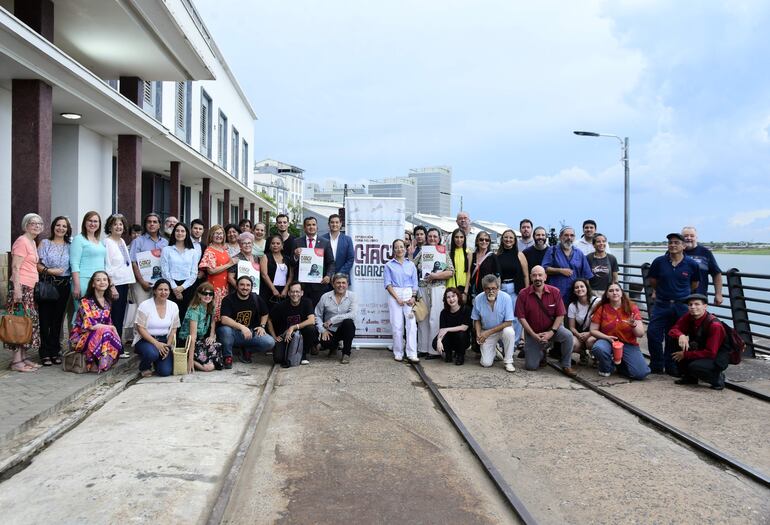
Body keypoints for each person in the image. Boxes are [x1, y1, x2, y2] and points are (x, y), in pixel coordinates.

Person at [647, 232, 700, 375]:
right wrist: (662, 291)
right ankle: (657, 364)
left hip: (681, 305)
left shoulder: (691, 264)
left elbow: (694, 284)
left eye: (676, 243)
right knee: (653, 333)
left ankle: (671, 365)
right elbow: (653, 280)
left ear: (683, 246)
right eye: (670, 243)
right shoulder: (659, 262)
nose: (672, 245)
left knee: (675, 336)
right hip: (662, 303)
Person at [515, 266, 577, 376]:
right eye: (534, 275)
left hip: (552, 330)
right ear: (530, 277)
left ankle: (566, 365)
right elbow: (521, 317)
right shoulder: (523, 294)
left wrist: (551, 332)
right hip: (533, 332)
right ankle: (541, 352)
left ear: (545, 277)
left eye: (540, 275)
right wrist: (533, 335)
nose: (537, 278)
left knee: (568, 335)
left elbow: (560, 314)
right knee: (531, 367)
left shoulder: (555, 292)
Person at [6, 213, 44, 372]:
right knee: (19, 323)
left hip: (30, 288)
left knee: (28, 323)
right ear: (26, 225)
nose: (36, 226)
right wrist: (17, 289)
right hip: (21, 287)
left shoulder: (33, 242)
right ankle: (16, 362)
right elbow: (15, 267)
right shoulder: (22, 241)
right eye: (33, 223)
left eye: (39, 224)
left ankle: (23, 357)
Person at [589, 283, 650, 380]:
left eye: (617, 290)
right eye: (611, 291)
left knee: (640, 374)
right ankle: (607, 368)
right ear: (607, 295)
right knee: (598, 348)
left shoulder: (632, 308)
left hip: (628, 343)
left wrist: (633, 325)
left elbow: (640, 334)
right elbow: (593, 330)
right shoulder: (602, 308)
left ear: (622, 293)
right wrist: (606, 338)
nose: (614, 293)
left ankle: (619, 365)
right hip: (608, 341)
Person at [669, 293, 728, 390]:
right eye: (690, 304)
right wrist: (681, 335)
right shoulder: (689, 317)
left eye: (697, 304)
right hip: (701, 348)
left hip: (717, 356)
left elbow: (711, 353)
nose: (693, 307)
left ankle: (717, 379)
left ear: (705, 306)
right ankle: (690, 378)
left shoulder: (715, 325)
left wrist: (686, 354)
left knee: (695, 366)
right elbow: (673, 330)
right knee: (674, 340)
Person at [69, 271, 123, 373]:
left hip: (101, 335)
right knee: (107, 331)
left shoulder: (107, 302)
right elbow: (90, 325)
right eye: (98, 280)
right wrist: (112, 328)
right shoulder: (85, 302)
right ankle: (95, 363)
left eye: (104, 280)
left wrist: (111, 329)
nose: (102, 282)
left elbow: (108, 323)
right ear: (93, 284)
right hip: (81, 337)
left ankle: (101, 362)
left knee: (109, 333)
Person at [217, 276, 275, 368]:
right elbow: (224, 319)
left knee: (270, 342)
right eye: (242, 285)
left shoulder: (256, 298)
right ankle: (227, 356)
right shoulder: (228, 299)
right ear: (237, 286)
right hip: (233, 334)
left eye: (248, 285)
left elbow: (265, 313)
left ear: (251, 287)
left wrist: (262, 326)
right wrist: (242, 327)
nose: (245, 287)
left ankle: (247, 350)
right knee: (225, 330)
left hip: (250, 333)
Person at [36, 215, 72, 366]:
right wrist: (50, 271)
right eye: (58, 225)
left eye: (64, 226)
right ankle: (44, 352)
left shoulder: (70, 246)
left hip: (64, 285)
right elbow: (37, 265)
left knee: (58, 320)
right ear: (53, 227)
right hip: (47, 284)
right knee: (45, 319)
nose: (61, 228)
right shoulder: (45, 243)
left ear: (68, 229)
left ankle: (55, 350)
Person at [415, 228, 454, 359]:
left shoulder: (443, 252)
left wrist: (435, 275)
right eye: (430, 236)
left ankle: (434, 350)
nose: (432, 239)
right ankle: (422, 348)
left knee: (435, 318)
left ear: (439, 238)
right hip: (423, 288)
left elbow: (450, 272)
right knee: (423, 318)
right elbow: (412, 266)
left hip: (438, 288)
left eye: (435, 237)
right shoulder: (422, 252)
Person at [132, 279, 180, 377]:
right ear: (154, 291)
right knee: (152, 354)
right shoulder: (145, 305)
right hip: (146, 340)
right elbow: (140, 327)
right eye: (160, 289)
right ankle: (144, 367)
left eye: (166, 290)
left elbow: (174, 328)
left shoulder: (173, 306)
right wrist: (156, 343)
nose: (163, 292)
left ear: (169, 291)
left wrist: (167, 346)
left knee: (165, 372)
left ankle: (155, 360)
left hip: (164, 340)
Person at [103, 213, 135, 356]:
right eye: (115, 224)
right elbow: (107, 265)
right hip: (114, 284)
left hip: (124, 283)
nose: (118, 226)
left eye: (121, 224)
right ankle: (114, 348)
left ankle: (117, 346)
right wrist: (111, 286)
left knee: (120, 316)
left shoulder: (121, 241)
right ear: (109, 227)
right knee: (114, 316)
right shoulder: (107, 242)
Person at [267, 282, 318, 367]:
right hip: (286, 336)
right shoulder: (281, 306)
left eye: (297, 292)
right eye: (292, 291)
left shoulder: (306, 302)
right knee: (278, 359)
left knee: (311, 329)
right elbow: (268, 319)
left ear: (302, 293)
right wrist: (274, 337)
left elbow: (312, 320)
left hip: (302, 334)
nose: (295, 294)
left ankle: (304, 354)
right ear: (289, 293)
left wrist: (293, 327)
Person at [384, 239, 419, 363]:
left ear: (405, 248)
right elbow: (388, 284)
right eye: (396, 247)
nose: (399, 249)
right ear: (393, 250)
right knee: (397, 325)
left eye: (401, 247)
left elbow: (415, 282)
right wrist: (397, 298)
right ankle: (398, 352)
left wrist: (413, 297)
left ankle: (412, 353)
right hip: (395, 294)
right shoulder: (389, 265)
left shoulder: (411, 265)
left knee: (411, 325)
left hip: (409, 294)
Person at [471, 275, 516, 372]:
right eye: (488, 289)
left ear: (498, 288)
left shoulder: (506, 298)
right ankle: (495, 351)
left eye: (494, 288)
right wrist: (479, 334)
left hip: (502, 329)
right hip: (486, 331)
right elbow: (477, 319)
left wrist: (487, 333)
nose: (491, 291)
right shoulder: (478, 299)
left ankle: (508, 361)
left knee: (510, 332)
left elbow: (508, 322)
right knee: (486, 363)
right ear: (484, 289)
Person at [542, 226, 593, 306]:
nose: (569, 238)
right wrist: (560, 270)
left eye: (572, 235)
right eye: (566, 235)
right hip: (557, 293)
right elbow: (544, 269)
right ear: (560, 237)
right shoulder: (552, 250)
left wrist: (587, 295)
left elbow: (586, 275)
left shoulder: (579, 253)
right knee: (558, 317)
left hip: (575, 295)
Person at [315, 273, 357, 364]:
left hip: (344, 329)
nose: (341, 285)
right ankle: (333, 347)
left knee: (349, 322)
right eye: (338, 283)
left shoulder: (352, 296)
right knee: (325, 342)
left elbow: (353, 314)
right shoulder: (325, 297)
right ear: (333, 284)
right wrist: (322, 330)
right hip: (329, 331)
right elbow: (317, 315)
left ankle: (346, 353)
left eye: (343, 283)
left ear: (347, 284)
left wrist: (333, 320)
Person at [178, 282, 220, 373]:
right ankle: (189, 360)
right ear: (199, 294)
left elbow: (213, 321)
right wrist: (190, 358)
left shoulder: (211, 306)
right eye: (205, 293)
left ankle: (203, 362)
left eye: (210, 294)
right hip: (187, 341)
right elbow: (192, 337)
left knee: (217, 346)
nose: (208, 296)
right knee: (209, 367)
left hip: (199, 340)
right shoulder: (194, 309)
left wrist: (212, 335)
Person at [160, 222, 198, 323]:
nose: (180, 233)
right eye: (177, 231)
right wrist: (175, 289)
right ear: (174, 233)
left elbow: (194, 273)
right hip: (170, 286)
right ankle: (171, 338)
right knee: (171, 315)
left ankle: (184, 338)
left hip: (188, 287)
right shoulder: (167, 250)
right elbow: (165, 271)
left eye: (182, 231)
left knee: (186, 315)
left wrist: (182, 288)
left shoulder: (192, 252)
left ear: (186, 234)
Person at [293, 217, 335, 307]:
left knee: (318, 312)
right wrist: (296, 256)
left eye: (313, 224)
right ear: (304, 228)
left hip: (319, 285)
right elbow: (291, 264)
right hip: (301, 285)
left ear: (317, 227)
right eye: (308, 225)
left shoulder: (325, 242)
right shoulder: (297, 242)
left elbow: (331, 262)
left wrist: (328, 275)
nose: (311, 227)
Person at [497, 229, 529, 344]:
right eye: (506, 237)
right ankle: (501, 343)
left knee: (516, 317)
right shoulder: (498, 255)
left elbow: (526, 275)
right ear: (502, 239)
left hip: (516, 289)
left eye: (511, 237)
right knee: (502, 317)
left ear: (515, 240)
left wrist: (527, 292)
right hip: (502, 288)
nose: (508, 240)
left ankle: (513, 344)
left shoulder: (520, 255)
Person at [129, 213, 168, 304]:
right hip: (141, 283)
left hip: (160, 283)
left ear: (159, 225)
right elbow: (133, 263)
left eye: (155, 222)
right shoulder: (138, 241)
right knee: (142, 309)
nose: (152, 224)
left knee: (157, 309)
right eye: (149, 222)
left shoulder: (165, 242)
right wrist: (142, 282)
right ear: (145, 225)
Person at [198, 224, 234, 321]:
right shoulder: (210, 250)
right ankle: (211, 334)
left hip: (224, 287)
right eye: (216, 233)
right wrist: (229, 264)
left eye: (221, 233)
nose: (219, 236)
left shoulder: (224, 250)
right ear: (211, 235)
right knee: (212, 312)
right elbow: (211, 270)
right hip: (214, 287)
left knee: (222, 312)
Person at [70, 211, 107, 304]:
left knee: (95, 314)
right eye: (90, 221)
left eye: (95, 221)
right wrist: (77, 286)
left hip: (99, 282)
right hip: (83, 281)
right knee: (82, 313)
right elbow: (74, 263)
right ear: (84, 223)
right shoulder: (79, 239)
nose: (93, 224)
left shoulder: (99, 241)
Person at [682, 226, 724, 305]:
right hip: (678, 297)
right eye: (685, 236)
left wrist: (718, 294)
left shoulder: (705, 253)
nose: (688, 238)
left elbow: (716, 274)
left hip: (699, 297)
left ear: (696, 237)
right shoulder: (675, 252)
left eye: (692, 236)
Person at [435, 287, 472, 366]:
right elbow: (442, 329)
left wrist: (447, 329)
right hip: (450, 340)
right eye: (448, 297)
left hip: (462, 340)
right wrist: (439, 341)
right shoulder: (444, 312)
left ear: (458, 296)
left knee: (461, 334)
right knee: (435, 342)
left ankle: (460, 355)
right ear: (445, 300)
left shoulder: (466, 309)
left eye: (453, 296)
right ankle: (448, 354)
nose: (451, 299)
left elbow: (464, 327)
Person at [567, 278, 599, 366]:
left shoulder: (597, 302)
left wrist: (589, 333)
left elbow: (602, 324)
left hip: (595, 333)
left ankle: (597, 357)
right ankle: (583, 354)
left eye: (582, 286)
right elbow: (572, 327)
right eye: (576, 287)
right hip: (580, 334)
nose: (579, 289)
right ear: (574, 291)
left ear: (587, 288)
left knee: (590, 341)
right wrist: (578, 335)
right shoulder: (572, 306)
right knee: (572, 343)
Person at [260, 234, 293, 309]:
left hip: (284, 291)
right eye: (273, 243)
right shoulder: (265, 257)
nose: (275, 245)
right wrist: (273, 289)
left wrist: (286, 289)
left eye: (278, 243)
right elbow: (264, 275)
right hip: (268, 290)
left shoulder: (287, 258)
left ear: (282, 245)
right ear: (270, 245)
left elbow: (291, 276)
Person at [321, 214, 355, 280]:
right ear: (328, 224)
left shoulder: (347, 239)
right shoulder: (321, 239)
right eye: (332, 222)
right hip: (325, 278)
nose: (334, 224)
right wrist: (328, 275)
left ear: (340, 224)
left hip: (342, 278)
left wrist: (339, 274)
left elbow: (350, 259)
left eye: (337, 222)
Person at [467, 232, 499, 300]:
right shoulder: (472, 255)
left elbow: (497, 276)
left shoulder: (493, 256)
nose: (484, 241)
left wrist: (496, 293)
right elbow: (469, 273)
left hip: (487, 291)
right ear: (477, 241)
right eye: (481, 239)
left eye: (487, 240)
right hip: (473, 291)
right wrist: (465, 291)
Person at [446, 228, 469, 301]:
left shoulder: (468, 252)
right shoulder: (448, 253)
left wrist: (465, 292)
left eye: (461, 237)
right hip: (450, 287)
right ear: (453, 238)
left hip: (462, 287)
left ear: (464, 238)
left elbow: (469, 273)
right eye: (456, 237)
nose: (459, 240)